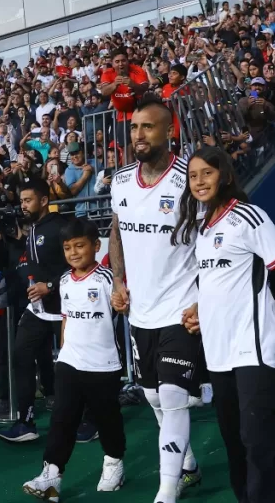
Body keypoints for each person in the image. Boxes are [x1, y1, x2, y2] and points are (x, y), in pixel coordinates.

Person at [171, 146, 275, 503]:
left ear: (224, 175)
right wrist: (200, 308)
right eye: (193, 175)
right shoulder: (202, 226)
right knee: (233, 439)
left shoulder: (248, 216)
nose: (199, 181)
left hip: (252, 346)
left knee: (258, 440)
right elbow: (218, 281)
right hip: (218, 349)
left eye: (207, 173)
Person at [109, 100, 205, 503]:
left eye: (148, 127)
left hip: (182, 309)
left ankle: (167, 490)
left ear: (170, 131)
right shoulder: (121, 181)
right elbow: (116, 231)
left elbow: (212, 238)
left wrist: (204, 298)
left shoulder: (192, 179)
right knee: (151, 396)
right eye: (134, 128)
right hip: (140, 313)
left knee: (172, 397)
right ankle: (189, 464)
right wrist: (117, 279)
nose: (138, 135)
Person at [21, 219, 126, 500]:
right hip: (70, 362)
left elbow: (125, 309)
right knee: (62, 417)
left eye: (80, 246)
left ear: (95, 246)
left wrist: (123, 303)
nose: (74, 253)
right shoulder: (65, 280)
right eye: (68, 248)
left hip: (103, 364)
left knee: (107, 419)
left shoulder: (107, 279)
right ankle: (52, 475)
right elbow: (66, 319)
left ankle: (114, 461)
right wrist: (64, 353)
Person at [0, 178, 71, 442]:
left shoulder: (61, 227)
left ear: (43, 200)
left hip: (65, 309)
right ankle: (26, 422)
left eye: (28, 200)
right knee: (20, 355)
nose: (23, 206)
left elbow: (76, 265)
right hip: (37, 309)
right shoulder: (32, 230)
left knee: (75, 365)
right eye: (21, 201)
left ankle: (88, 419)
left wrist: (49, 285)